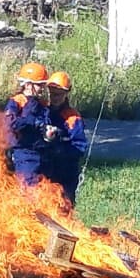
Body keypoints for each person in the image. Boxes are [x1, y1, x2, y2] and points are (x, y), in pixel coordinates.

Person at [43, 70, 90, 204]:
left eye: (59, 94)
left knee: (65, 207)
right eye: (52, 93)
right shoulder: (43, 112)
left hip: (66, 172)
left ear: (66, 93)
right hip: (46, 169)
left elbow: (80, 146)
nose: (55, 97)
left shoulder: (72, 117)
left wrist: (60, 149)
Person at [4, 61, 51, 188]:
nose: (42, 88)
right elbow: (12, 124)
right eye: (39, 85)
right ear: (29, 85)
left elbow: (45, 123)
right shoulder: (17, 101)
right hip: (24, 153)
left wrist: (49, 133)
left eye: (43, 85)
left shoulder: (42, 103)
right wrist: (33, 121)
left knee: (45, 192)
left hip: (42, 153)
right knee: (29, 192)